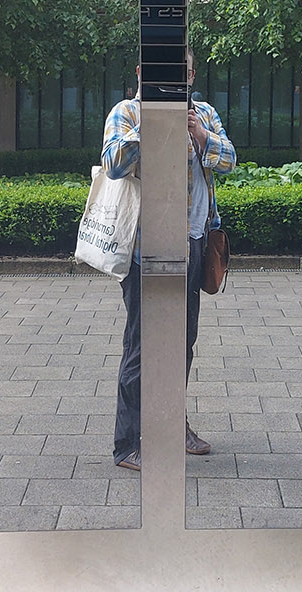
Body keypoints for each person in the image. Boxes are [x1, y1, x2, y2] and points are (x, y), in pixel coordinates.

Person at [105, 50, 236, 469]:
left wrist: (201, 136)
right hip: (148, 246)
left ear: (193, 75)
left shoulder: (204, 113)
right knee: (142, 345)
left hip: (194, 242)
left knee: (182, 342)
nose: (177, 80)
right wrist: (150, 126)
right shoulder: (127, 112)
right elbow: (112, 164)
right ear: (144, 71)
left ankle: (172, 425)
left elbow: (230, 160)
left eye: (185, 72)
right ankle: (128, 442)